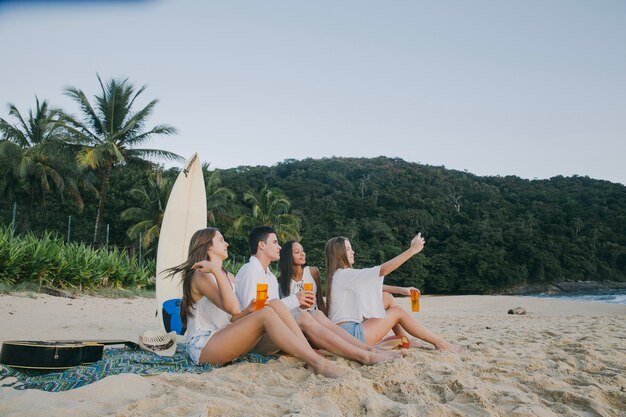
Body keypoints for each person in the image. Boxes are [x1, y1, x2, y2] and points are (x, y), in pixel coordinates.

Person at [165, 227, 347, 378]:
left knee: (272, 306)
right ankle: (317, 363)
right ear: (208, 247)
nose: (226, 243)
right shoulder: (200, 275)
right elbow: (233, 307)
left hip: (225, 336)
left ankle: (311, 354)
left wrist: (249, 310)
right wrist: (215, 270)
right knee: (267, 313)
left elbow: (233, 316)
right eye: (221, 240)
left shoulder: (227, 276)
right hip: (204, 346)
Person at [235, 227, 399, 365]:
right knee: (304, 317)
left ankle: (367, 349)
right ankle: (363, 355)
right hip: (256, 338)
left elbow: (274, 308)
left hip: (274, 330)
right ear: (262, 245)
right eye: (275, 242)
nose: (279, 247)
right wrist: (295, 300)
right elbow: (255, 314)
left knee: (316, 313)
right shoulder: (250, 272)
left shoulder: (269, 276)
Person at [325, 233, 461, 352]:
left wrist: (401, 290)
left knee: (387, 298)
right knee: (398, 311)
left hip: (345, 333)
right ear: (339, 253)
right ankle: (440, 343)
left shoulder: (339, 275)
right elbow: (383, 270)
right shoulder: (344, 274)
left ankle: (406, 340)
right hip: (351, 336)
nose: (353, 252)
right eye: (348, 249)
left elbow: (373, 284)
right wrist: (412, 250)